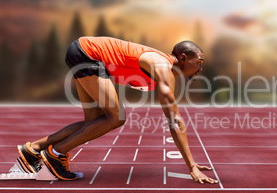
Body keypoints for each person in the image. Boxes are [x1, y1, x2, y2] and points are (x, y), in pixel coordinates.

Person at [17, 36, 218, 184]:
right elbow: (174, 120)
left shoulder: (161, 67)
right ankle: (56, 154)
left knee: (93, 120)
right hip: (88, 53)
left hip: (83, 52)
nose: (200, 68)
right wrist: (191, 166)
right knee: (116, 117)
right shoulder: (163, 66)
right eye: (199, 63)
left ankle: (33, 149)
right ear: (182, 58)